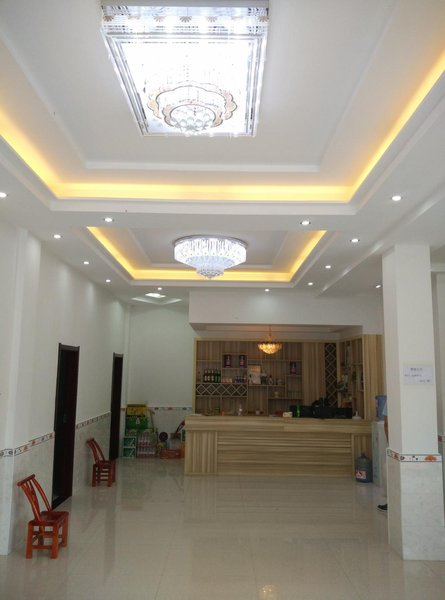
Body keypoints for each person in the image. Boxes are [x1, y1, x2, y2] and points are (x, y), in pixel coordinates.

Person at [377, 398, 388, 512]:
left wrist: (390, 442)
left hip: (395, 444)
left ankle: (392, 502)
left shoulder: (391, 400)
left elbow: (386, 424)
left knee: (388, 473)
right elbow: (386, 424)